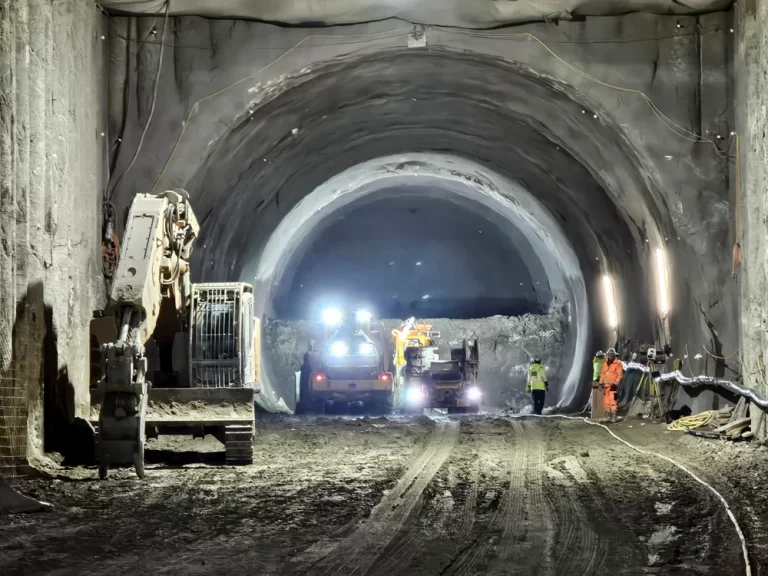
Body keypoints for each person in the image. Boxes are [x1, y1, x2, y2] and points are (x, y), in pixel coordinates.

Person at [600, 348, 624, 422]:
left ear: (614, 356)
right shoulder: (605, 364)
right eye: (609, 355)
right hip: (606, 386)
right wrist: (601, 383)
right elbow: (602, 374)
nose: (610, 357)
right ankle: (608, 416)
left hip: (613, 386)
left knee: (613, 401)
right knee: (606, 401)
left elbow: (620, 375)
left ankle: (614, 416)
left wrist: (615, 384)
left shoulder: (618, 363)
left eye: (611, 355)